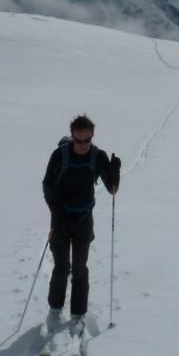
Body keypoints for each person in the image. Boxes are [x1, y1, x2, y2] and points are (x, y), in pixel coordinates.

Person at [42, 114, 120, 324]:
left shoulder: (97, 156)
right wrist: (55, 211)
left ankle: (78, 313)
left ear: (92, 136)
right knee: (61, 266)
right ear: (73, 137)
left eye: (87, 140)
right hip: (61, 217)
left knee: (79, 267)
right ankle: (55, 308)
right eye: (79, 141)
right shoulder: (59, 155)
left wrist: (115, 173)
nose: (83, 145)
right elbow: (47, 185)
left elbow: (112, 189)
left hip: (84, 217)